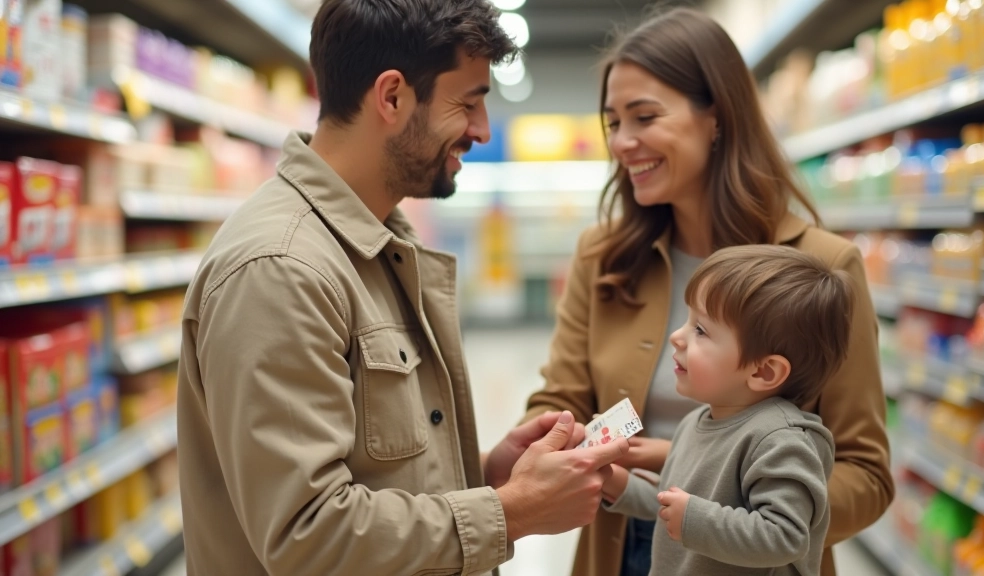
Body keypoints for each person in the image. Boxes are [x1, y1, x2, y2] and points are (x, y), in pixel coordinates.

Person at [176, 1, 628, 575]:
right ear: (392, 96)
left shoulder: (375, 241)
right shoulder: (281, 269)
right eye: (468, 103)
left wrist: (489, 475)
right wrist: (511, 512)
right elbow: (308, 536)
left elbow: (374, 469)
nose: (482, 131)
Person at [521, 7, 894, 576]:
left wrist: (728, 506)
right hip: (621, 540)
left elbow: (866, 474)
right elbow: (560, 401)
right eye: (613, 123)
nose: (622, 142)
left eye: (645, 117)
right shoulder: (604, 256)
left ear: (715, 117)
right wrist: (559, 442)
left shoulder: (822, 266)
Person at [602, 245, 853, 576]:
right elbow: (674, 500)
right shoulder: (696, 421)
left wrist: (692, 517)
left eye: (700, 330)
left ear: (764, 371)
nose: (677, 337)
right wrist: (616, 483)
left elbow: (785, 536)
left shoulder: (781, 440)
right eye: (688, 320)